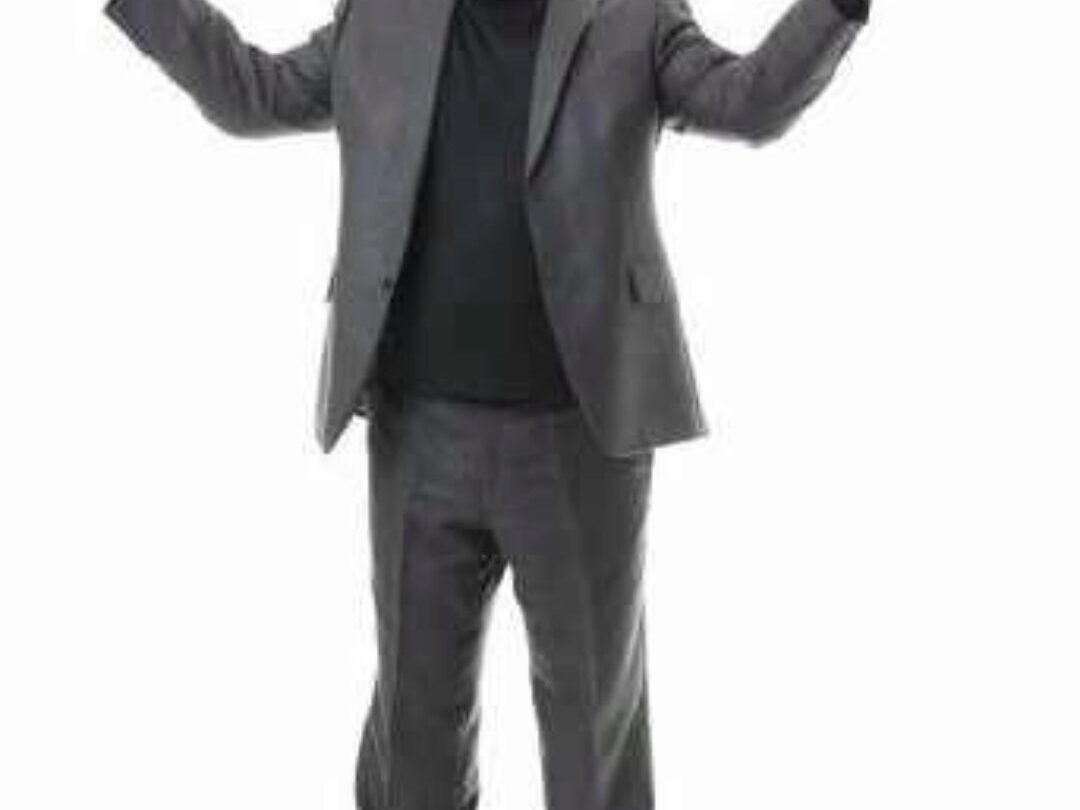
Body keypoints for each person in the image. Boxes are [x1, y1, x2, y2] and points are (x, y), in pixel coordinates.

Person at [103, 0, 870, 806]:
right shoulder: (383, 16)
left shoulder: (631, 16)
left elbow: (748, 103)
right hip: (418, 436)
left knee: (592, 728)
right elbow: (251, 95)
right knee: (416, 734)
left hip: (578, 437)